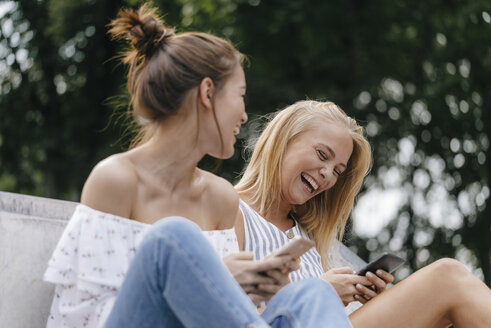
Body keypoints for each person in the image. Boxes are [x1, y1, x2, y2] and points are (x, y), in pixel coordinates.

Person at [43, 6, 352, 328]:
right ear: (207, 93)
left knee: (313, 292)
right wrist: (204, 280)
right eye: (240, 95)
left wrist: (251, 287)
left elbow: (223, 313)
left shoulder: (219, 197)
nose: (245, 115)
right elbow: (77, 318)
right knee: (172, 235)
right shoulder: (116, 180)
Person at [235, 100, 491, 327]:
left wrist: (372, 306)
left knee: (444, 299)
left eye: (337, 171)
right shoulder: (231, 210)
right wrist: (322, 290)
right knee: (448, 278)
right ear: (284, 140)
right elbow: (223, 309)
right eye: (322, 155)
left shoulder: (309, 239)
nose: (327, 174)